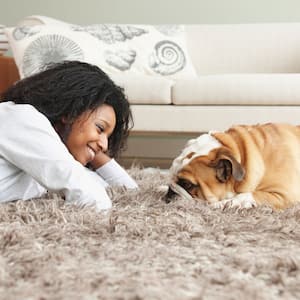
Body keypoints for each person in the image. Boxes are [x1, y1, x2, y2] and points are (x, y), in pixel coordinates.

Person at [0, 60, 138, 210]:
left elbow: (129, 191)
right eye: (99, 128)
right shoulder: (21, 118)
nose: (104, 145)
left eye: (107, 137)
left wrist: (93, 149)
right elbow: (92, 199)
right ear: (72, 112)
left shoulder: (52, 159)